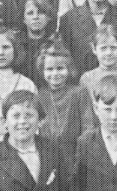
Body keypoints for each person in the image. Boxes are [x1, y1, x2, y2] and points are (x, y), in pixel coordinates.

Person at [36, 37, 93, 170]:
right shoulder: (40, 95)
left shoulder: (79, 93)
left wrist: (81, 154)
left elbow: (88, 126)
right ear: (42, 71)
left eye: (60, 68)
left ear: (69, 69)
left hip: (76, 155)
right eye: (49, 69)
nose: (55, 74)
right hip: (47, 156)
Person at [80, 24, 117, 104]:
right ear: (94, 49)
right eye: (103, 48)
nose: (108, 53)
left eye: (113, 48)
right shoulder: (87, 78)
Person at [17, 0, 58, 88]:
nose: (35, 17)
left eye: (41, 12)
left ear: (48, 17)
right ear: (23, 19)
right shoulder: (16, 44)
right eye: (30, 13)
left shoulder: (57, 43)